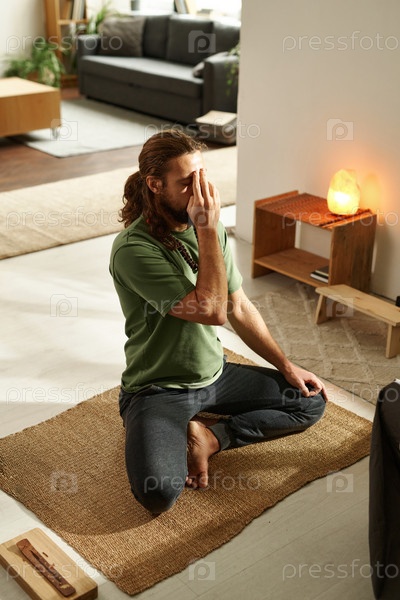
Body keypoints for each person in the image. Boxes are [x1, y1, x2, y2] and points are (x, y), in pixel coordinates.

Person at [109, 129, 327, 515]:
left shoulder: (209, 231)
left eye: (202, 176)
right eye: (187, 182)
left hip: (215, 374)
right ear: (155, 185)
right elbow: (212, 311)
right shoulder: (133, 249)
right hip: (159, 387)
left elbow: (238, 307)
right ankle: (157, 424)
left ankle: (209, 437)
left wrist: (286, 365)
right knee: (158, 493)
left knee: (309, 401)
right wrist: (208, 227)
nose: (202, 191)